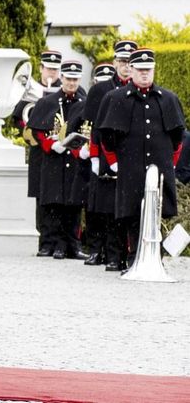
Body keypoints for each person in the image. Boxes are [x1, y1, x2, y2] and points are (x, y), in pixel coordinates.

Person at [99, 48, 185, 264]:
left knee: (156, 216)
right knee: (133, 216)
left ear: (154, 70)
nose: (145, 74)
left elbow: (177, 138)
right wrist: (115, 163)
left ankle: (153, 257)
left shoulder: (168, 99)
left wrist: (170, 165)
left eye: (148, 70)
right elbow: (107, 138)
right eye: (140, 70)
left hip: (159, 170)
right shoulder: (116, 98)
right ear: (132, 70)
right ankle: (133, 258)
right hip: (130, 169)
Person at [26, 61, 89, 261]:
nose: (71, 83)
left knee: (72, 205)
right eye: (68, 79)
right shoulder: (48, 101)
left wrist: (81, 149)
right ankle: (49, 244)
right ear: (61, 78)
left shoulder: (84, 102)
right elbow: (37, 129)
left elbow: (88, 128)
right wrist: (49, 145)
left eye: (75, 79)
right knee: (51, 204)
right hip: (53, 159)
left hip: (75, 159)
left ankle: (72, 245)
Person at [82, 41, 136, 270]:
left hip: (130, 156)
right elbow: (94, 127)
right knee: (105, 209)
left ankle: (126, 254)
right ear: (115, 62)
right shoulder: (101, 90)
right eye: (121, 61)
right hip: (106, 154)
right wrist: (95, 157)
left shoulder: (138, 91)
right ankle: (108, 254)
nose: (125, 66)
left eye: (128, 62)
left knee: (126, 209)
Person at [11, 50, 63, 256]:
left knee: (63, 198)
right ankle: (45, 240)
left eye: (55, 69)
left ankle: (61, 242)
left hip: (62, 153)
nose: (52, 73)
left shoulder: (68, 89)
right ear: (41, 68)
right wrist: (30, 129)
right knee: (42, 197)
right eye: (48, 68)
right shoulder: (31, 92)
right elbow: (19, 117)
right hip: (40, 153)